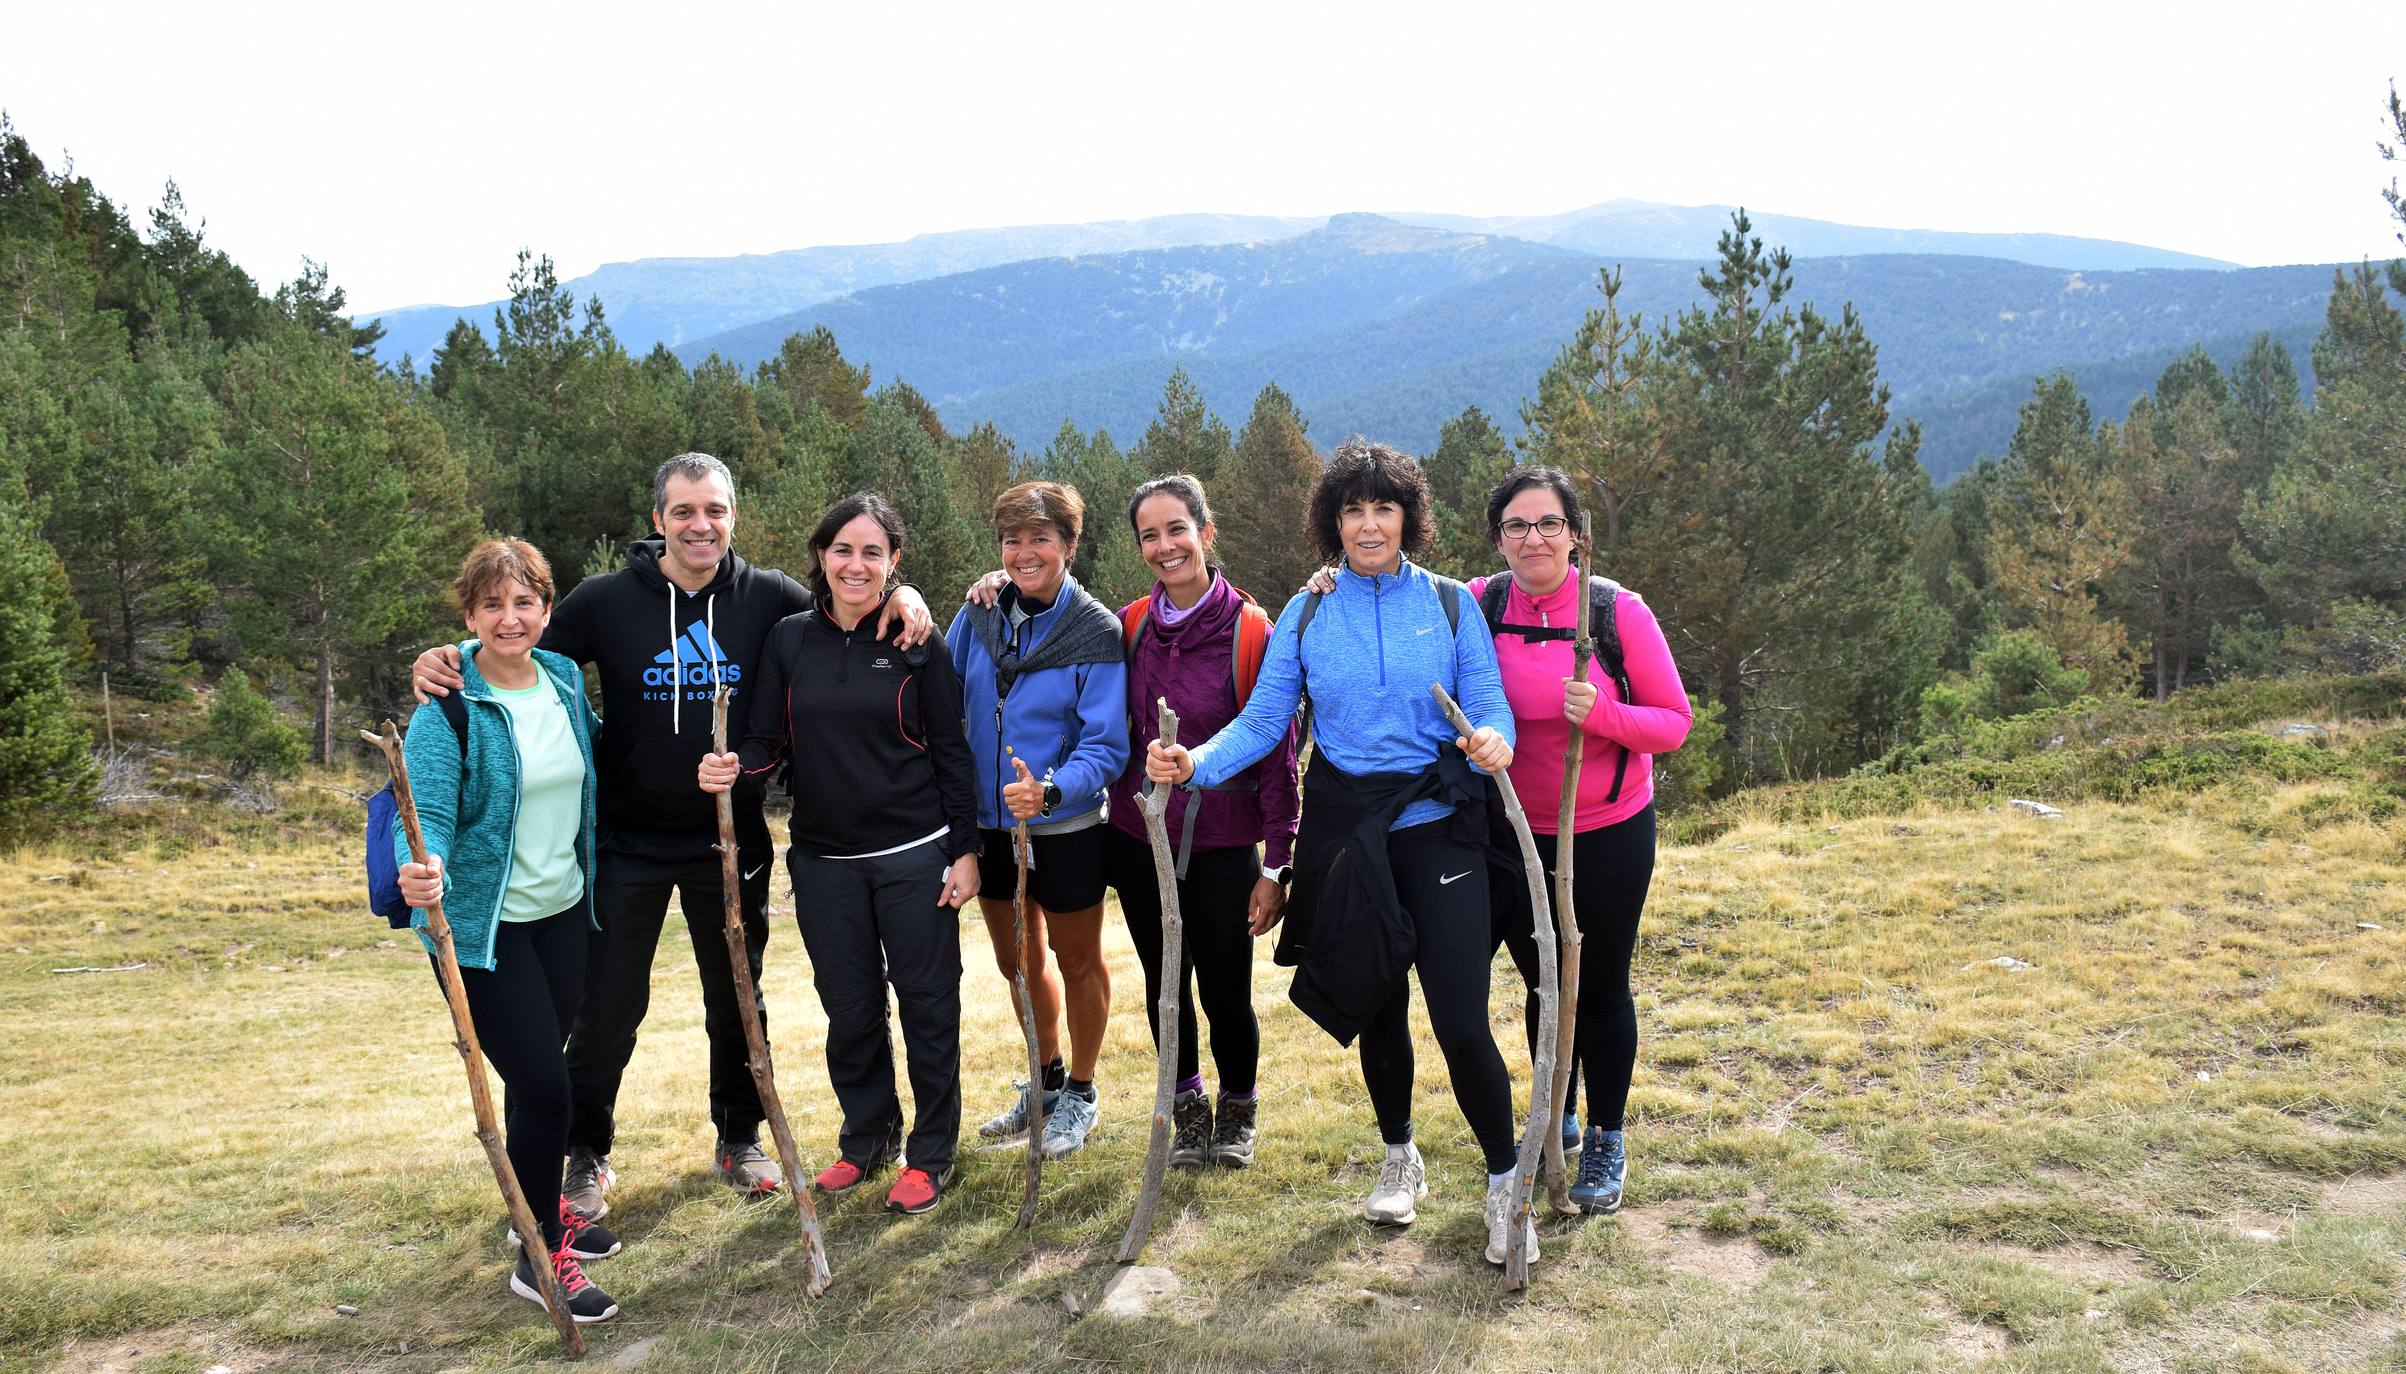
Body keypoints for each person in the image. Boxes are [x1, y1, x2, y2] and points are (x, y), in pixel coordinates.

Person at [412, 453, 933, 1216]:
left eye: (715, 510)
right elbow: (514, 642)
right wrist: (446, 658)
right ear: (657, 519)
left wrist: (909, 593)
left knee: (736, 999)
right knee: (608, 1005)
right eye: (684, 511)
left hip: (729, 841)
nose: (701, 525)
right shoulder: (604, 602)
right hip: (626, 843)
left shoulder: (770, 600)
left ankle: (739, 1137)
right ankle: (584, 1152)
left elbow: (846, 610)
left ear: (733, 517)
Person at [1146, 438, 1537, 1267]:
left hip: (1438, 827)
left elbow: (1491, 702)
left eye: (1383, 508)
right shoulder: (1309, 610)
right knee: (1376, 1004)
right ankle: (1401, 1157)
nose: (1368, 524)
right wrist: (1194, 764)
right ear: (1334, 521)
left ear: (1408, 518)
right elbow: (1264, 722)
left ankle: (1507, 1184)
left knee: (1463, 1019)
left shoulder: (1450, 605)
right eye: (1353, 510)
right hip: (1344, 834)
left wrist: (1494, 738)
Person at [978, 476, 1299, 1166]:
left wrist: (1278, 862)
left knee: (1225, 989)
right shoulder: (1129, 626)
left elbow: (1277, 754)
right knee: (1164, 987)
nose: (1165, 546)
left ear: (1206, 534)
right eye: (1149, 535)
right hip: (1135, 840)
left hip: (1221, 844)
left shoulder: (1252, 632)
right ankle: (1184, 1110)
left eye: (1177, 529)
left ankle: (1236, 1114)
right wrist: (993, 583)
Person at [698, 492, 981, 1215]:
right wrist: (736, 769)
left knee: (926, 1006)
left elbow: (953, 750)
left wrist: (965, 850)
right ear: (822, 557)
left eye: (873, 552)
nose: (857, 565)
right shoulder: (791, 639)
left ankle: (932, 1152)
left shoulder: (920, 640)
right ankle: (867, 1139)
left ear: (894, 562)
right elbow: (766, 741)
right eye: (843, 550)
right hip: (823, 860)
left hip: (916, 853)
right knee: (849, 1009)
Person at [394, 539, 620, 1323]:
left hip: (561, 914)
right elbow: (422, 813)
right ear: (469, 616)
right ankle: (540, 1257)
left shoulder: (560, 678)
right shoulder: (448, 703)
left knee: (538, 1080)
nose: (509, 617)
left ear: (547, 611)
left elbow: (594, 762)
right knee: (546, 1087)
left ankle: (538, 1213)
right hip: (483, 931)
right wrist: (421, 871)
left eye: (524, 602)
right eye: (492, 604)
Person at [1468, 467, 1690, 1215]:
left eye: (1548, 523)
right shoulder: (1481, 603)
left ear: (1575, 534)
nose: (1533, 538)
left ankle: (1606, 1134)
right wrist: (1330, 582)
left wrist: (1603, 717)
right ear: (1498, 538)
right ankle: (1554, 1113)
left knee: (1598, 986)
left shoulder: (1615, 613)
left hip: (1607, 829)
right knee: (1542, 981)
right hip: (1514, 835)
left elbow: (1673, 722)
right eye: (1517, 526)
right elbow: (1404, 600)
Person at [946, 480, 1131, 1161]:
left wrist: (1050, 792)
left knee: (1076, 958)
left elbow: (1107, 743)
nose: (1025, 553)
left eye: (1040, 539)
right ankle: (1045, 1080)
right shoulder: (978, 615)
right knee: (1014, 960)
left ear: (1070, 545)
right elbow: (943, 699)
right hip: (990, 826)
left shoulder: (1096, 631)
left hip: (1066, 825)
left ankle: (1081, 1092)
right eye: (1012, 540)